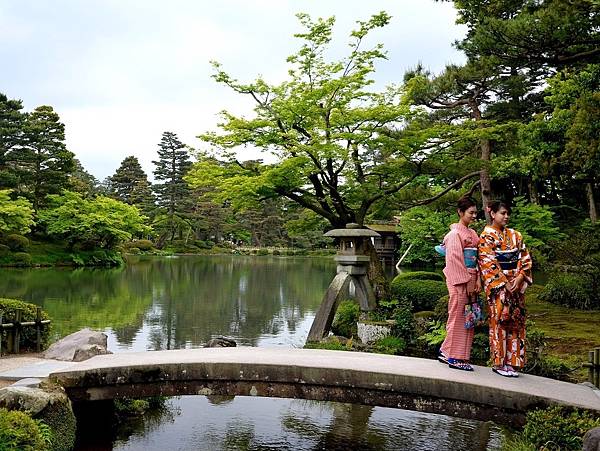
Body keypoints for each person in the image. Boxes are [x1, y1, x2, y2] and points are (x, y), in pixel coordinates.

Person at [478, 200, 532, 377]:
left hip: (516, 285)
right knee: (500, 321)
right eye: (502, 213)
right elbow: (488, 262)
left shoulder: (516, 235)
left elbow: (525, 259)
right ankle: (499, 363)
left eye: (508, 213)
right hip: (499, 288)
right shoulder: (486, 236)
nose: (506, 216)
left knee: (516, 321)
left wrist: (520, 277)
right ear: (492, 214)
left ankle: (513, 362)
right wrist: (505, 283)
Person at [438, 196, 481, 371]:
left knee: (469, 318)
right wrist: (468, 281)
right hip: (460, 281)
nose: (474, 216)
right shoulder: (453, 235)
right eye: (471, 212)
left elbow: (478, 259)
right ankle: (454, 356)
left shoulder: (473, 234)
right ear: (460, 212)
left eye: (475, 213)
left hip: (472, 278)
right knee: (457, 316)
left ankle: (446, 351)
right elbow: (454, 260)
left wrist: (478, 279)